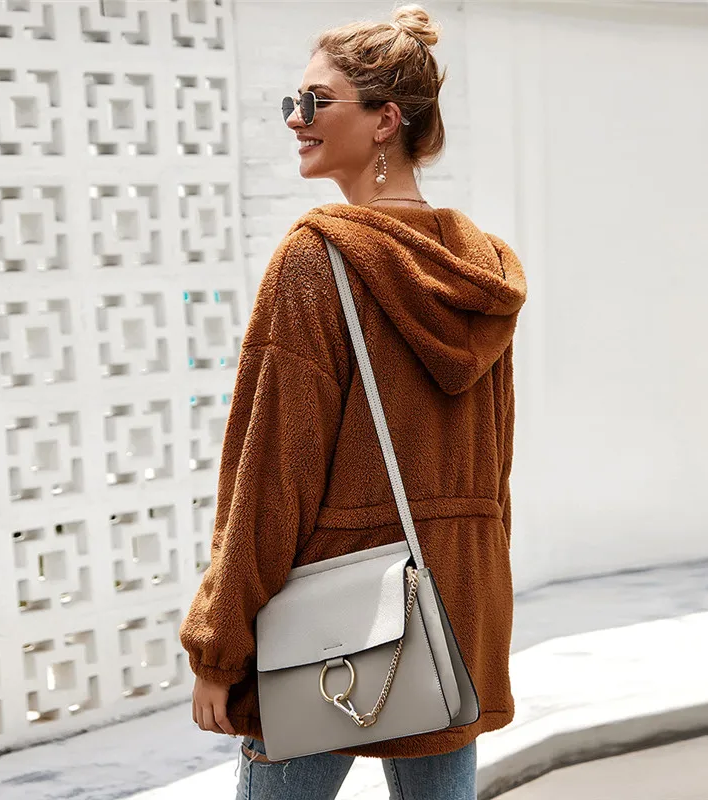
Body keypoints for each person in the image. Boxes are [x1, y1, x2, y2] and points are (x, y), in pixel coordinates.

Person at [178, 4, 528, 799]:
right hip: (453, 608)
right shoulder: (482, 272)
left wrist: (218, 647)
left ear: (385, 120)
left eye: (314, 100)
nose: (294, 119)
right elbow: (495, 473)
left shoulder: (317, 260)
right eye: (292, 101)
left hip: (332, 630)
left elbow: (270, 481)